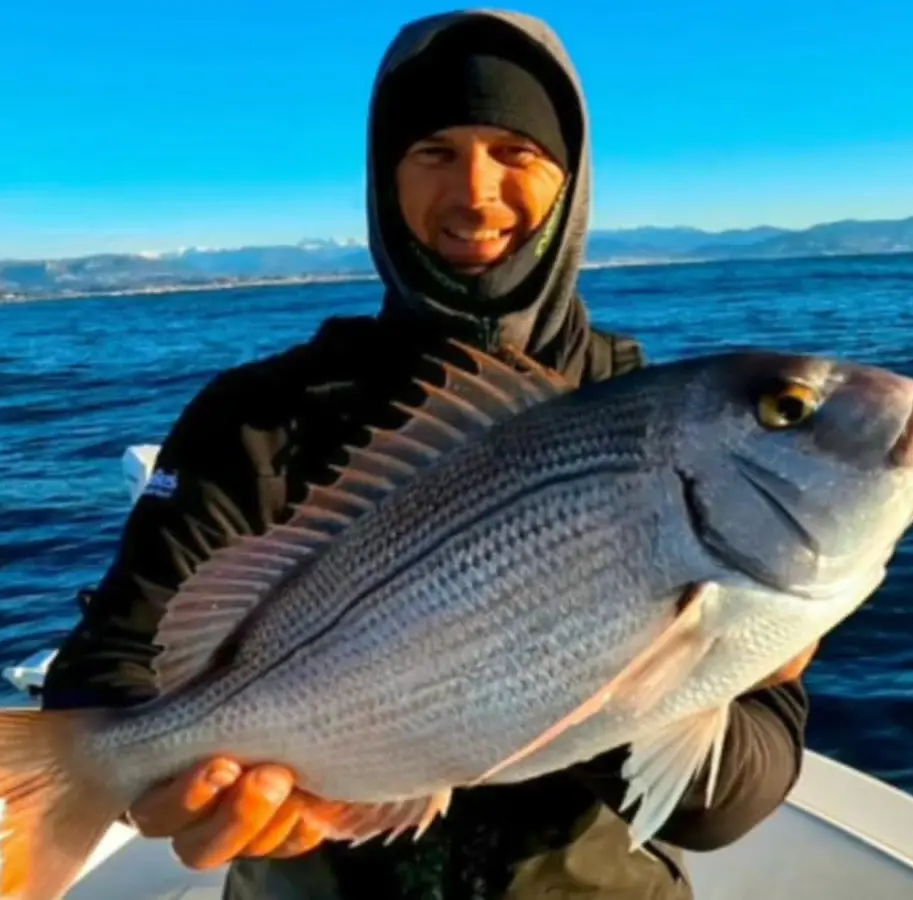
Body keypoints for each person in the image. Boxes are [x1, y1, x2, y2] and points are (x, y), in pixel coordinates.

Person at [41, 9, 813, 899]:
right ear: (383, 177)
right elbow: (106, 669)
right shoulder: (256, 417)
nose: (476, 193)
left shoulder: (680, 439)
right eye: (434, 151)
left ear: (573, 181)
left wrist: (636, 645)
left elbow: (721, 807)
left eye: (517, 153)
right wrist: (160, 788)